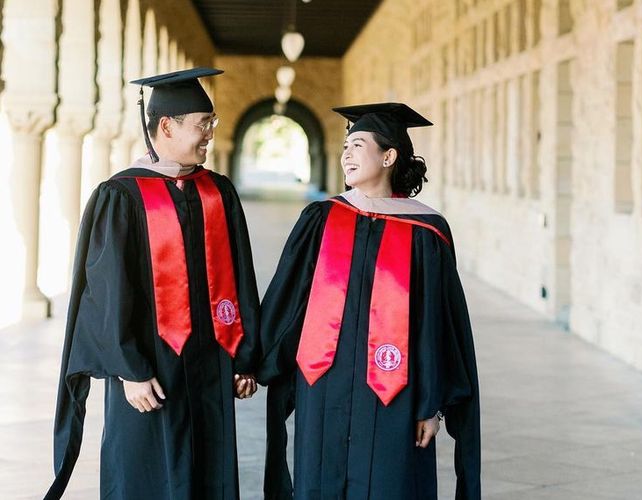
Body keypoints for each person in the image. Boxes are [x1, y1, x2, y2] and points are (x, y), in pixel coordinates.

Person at [45, 68, 260, 499]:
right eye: (203, 124)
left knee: (208, 473)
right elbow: (107, 291)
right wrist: (130, 370)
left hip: (210, 366)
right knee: (145, 475)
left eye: (212, 124)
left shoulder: (217, 191)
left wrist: (245, 356)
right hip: (150, 370)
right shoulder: (122, 195)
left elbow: (241, 277)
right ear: (167, 126)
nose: (209, 135)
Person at [257, 102, 481, 499]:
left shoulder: (426, 231)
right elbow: (288, 300)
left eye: (358, 144)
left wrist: (431, 404)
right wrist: (253, 361)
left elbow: (437, 326)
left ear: (389, 155)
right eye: (345, 145)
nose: (346, 154)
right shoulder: (321, 218)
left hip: (395, 396)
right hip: (323, 387)